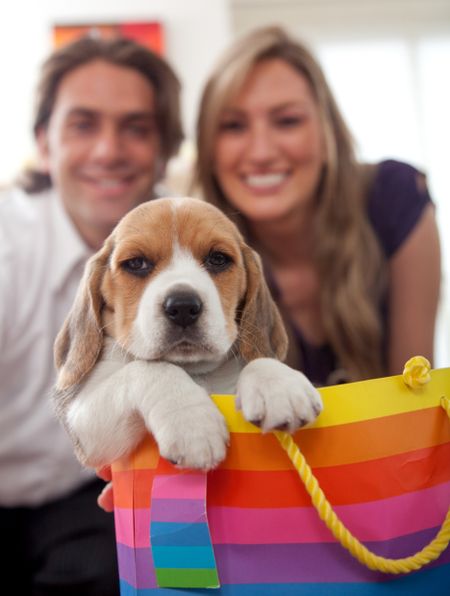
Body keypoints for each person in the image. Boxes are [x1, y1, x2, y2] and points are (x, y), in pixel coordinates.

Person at [0, 35, 183, 595]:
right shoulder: (8, 247)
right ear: (45, 145)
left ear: (163, 150)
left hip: (88, 498)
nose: (109, 151)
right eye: (83, 125)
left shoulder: (192, 260)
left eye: (135, 127)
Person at [192, 25, 441, 387]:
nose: (261, 153)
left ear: (328, 136)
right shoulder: (192, 260)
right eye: (233, 126)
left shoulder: (394, 198)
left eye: (287, 121)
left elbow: (416, 394)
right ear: (210, 151)